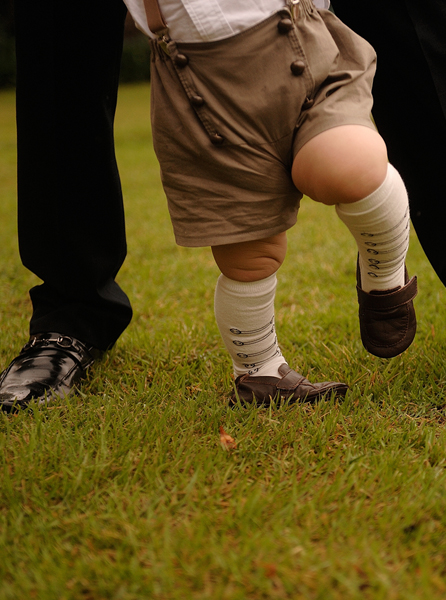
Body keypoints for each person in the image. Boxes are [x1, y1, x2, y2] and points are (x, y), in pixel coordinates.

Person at [0, 0, 446, 412]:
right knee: (63, 33)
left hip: (300, 42)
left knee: (350, 158)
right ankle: (77, 314)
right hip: (200, 78)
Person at [135, 0, 418, 404]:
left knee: (348, 164)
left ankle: (384, 271)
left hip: (297, 44)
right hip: (198, 90)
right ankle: (259, 372)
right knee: (247, 251)